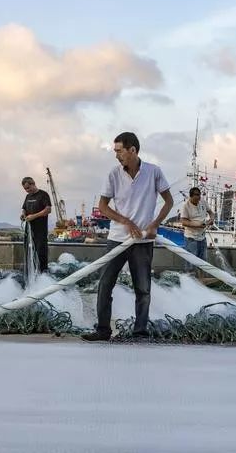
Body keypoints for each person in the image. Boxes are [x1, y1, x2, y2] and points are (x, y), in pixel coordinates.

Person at [82, 132, 173, 341]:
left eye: (119, 151)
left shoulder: (154, 172)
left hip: (143, 240)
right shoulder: (113, 175)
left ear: (132, 150)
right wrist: (126, 222)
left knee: (143, 288)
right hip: (117, 238)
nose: (116, 156)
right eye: (115, 151)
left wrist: (154, 224)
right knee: (105, 284)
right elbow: (102, 206)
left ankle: (140, 332)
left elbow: (168, 201)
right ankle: (103, 330)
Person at [20, 177, 52, 277]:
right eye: (25, 189)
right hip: (29, 230)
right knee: (28, 251)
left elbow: (48, 210)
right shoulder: (27, 196)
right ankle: (30, 273)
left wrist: (34, 216)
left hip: (40, 230)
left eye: (28, 188)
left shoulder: (43, 195)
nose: (27, 190)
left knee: (40, 252)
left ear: (33, 183)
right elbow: (24, 209)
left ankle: (43, 275)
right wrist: (23, 215)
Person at [180, 187, 215, 271]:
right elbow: (184, 222)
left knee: (203, 261)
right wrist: (197, 224)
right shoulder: (185, 206)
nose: (198, 199)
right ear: (190, 196)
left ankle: (201, 279)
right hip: (191, 238)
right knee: (191, 263)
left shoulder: (202, 202)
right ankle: (190, 281)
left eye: (199, 196)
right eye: (196, 197)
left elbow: (211, 212)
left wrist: (211, 219)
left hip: (202, 237)